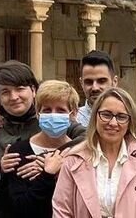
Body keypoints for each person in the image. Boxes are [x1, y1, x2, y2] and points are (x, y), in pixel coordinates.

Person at [53, 87, 136, 218]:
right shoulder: (73, 160)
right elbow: (62, 212)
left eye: (121, 117)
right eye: (106, 115)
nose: (113, 123)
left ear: (130, 121)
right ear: (95, 116)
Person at [6, 80, 82, 218]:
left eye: (60, 110)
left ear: (73, 113)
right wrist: (47, 174)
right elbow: (20, 207)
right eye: (47, 110)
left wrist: (61, 173)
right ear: (38, 113)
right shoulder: (18, 152)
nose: (53, 115)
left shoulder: (80, 152)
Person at [0, 60, 40, 218]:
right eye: (5, 92)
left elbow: (86, 137)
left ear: (33, 90)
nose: (13, 97)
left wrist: (53, 161)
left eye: (20, 89)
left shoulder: (49, 122)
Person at [76, 50, 118, 126]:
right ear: (81, 83)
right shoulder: (73, 121)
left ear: (114, 82)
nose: (95, 88)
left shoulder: (126, 121)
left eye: (101, 81)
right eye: (88, 82)